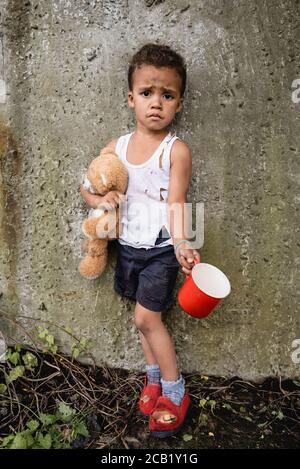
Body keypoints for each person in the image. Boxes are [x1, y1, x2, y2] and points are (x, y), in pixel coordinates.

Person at [80, 43, 200, 438]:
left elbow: (177, 203)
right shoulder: (116, 148)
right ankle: (152, 378)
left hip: (160, 251)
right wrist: (103, 199)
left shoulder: (175, 151)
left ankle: (175, 391)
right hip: (127, 248)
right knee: (141, 321)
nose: (156, 103)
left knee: (148, 319)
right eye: (147, 93)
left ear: (178, 103)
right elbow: (88, 188)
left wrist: (183, 243)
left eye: (167, 95)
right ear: (131, 98)